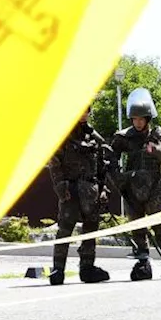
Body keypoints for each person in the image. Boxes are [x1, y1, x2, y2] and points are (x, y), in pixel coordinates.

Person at [109, 88, 161, 281]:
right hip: (130, 189)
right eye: (134, 119)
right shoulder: (123, 137)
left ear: (148, 118)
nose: (137, 122)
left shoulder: (159, 136)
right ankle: (143, 262)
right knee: (137, 227)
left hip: (155, 188)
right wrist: (119, 179)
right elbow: (109, 161)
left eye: (141, 118)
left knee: (160, 226)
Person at [47, 107, 113, 285]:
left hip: (90, 191)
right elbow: (54, 163)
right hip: (71, 190)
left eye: (86, 111)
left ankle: (87, 268)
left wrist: (103, 190)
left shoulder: (95, 138)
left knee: (91, 230)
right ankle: (58, 269)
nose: (83, 114)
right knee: (65, 230)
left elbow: (102, 168)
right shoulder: (63, 135)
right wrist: (60, 186)